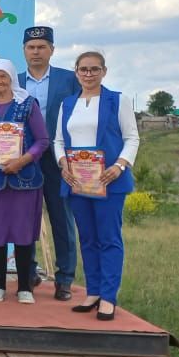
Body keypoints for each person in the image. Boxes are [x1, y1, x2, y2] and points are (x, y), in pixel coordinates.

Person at [56, 51, 139, 321]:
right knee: (87, 238)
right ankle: (92, 292)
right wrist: (62, 164)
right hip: (78, 181)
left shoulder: (118, 100)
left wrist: (120, 165)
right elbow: (58, 140)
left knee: (109, 239)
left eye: (94, 69)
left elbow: (132, 138)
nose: (88, 74)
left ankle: (108, 297)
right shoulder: (68, 103)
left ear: (104, 71)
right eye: (83, 69)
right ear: (76, 72)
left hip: (108, 181)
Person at [19, 26, 82, 300]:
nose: (36, 52)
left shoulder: (69, 80)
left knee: (61, 217)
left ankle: (65, 278)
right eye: (31, 47)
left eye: (42, 47)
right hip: (25, 158)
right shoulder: (14, 81)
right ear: (24, 50)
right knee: (26, 217)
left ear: (52, 50)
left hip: (59, 160)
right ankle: (29, 271)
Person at [0, 59, 49, 304]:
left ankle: (24, 287)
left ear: (11, 79)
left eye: (3, 77)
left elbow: (42, 140)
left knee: (22, 233)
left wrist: (22, 160)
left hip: (24, 180)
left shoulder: (28, 105)